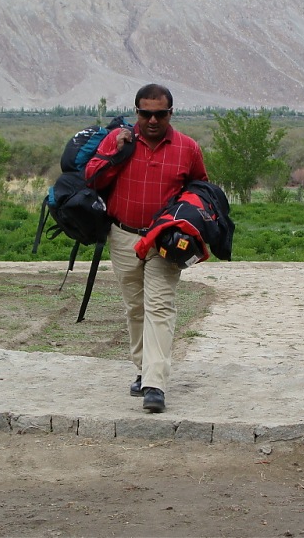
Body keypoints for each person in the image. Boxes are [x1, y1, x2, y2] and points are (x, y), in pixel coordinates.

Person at [85, 84, 208, 413]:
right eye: (145, 113)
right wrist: (115, 154)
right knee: (136, 308)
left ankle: (155, 384)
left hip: (164, 241)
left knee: (160, 307)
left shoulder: (188, 148)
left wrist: (185, 224)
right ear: (136, 111)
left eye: (160, 114)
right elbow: (92, 178)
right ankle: (142, 370)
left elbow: (200, 190)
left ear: (171, 113)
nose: (152, 120)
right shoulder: (119, 140)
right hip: (123, 236)